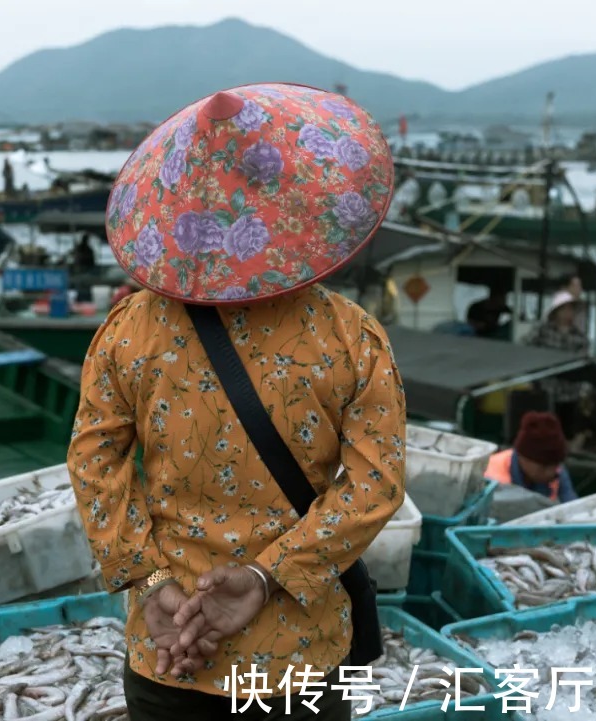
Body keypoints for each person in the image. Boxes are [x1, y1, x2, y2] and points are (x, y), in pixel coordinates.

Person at [65, 83, 407, 719]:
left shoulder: (128, 331)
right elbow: (375, 484)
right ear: (303, 201)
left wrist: (149, 579)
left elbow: (93, 463)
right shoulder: (349, 335)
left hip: (169, 651)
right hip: (298, 658)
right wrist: (266, 574)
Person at [485, 411, 577, 502]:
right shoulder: (491, 478)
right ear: (522, 458)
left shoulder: (557, 471)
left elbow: (572, 506)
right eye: (544, 467)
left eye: (555, 465)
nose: (551, 472)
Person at [522, 289, 589, 355]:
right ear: (556, 311)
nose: (567, 312)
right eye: (563, 309)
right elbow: (524, 344)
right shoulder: (542, 329)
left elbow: (582, 358)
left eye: (570, 308)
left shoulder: (579, 337)